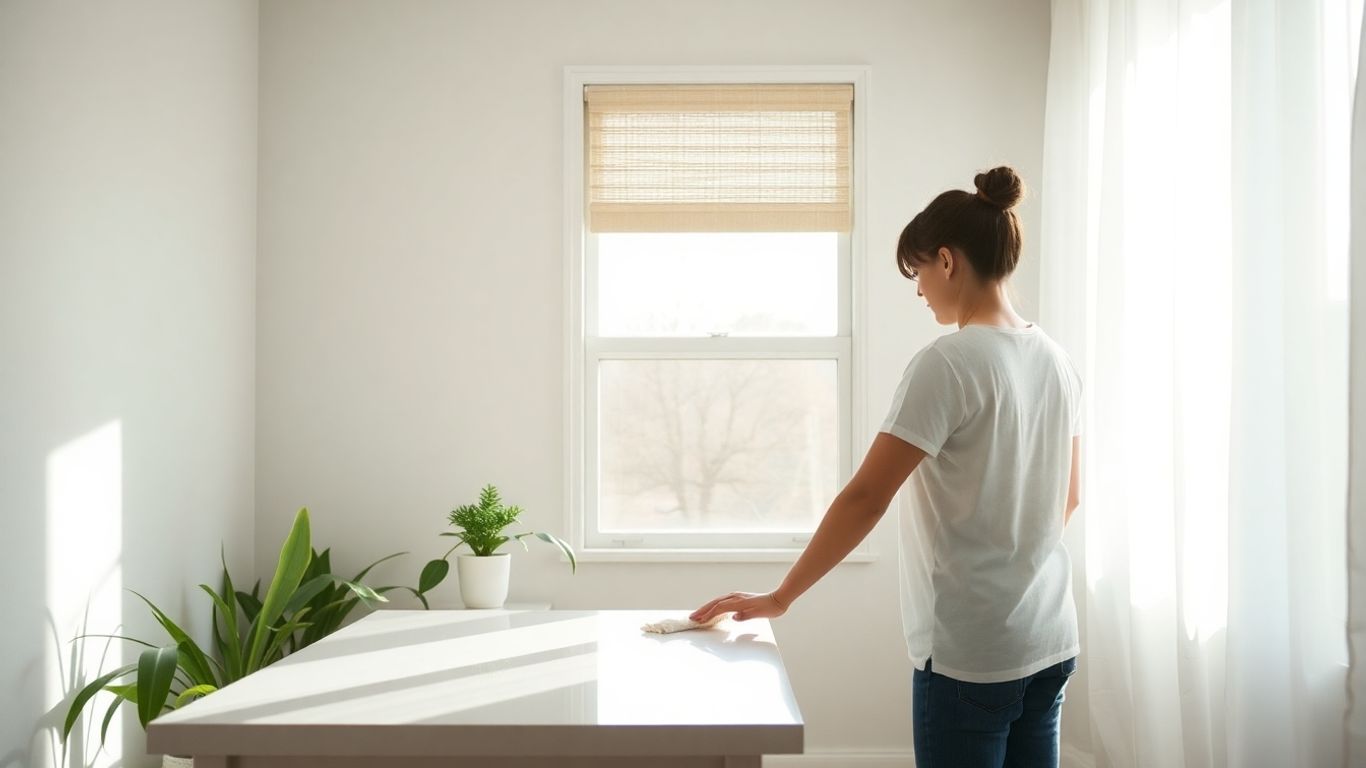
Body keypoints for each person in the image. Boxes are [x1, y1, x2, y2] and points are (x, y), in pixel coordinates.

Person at [690, 166, 1083, 767]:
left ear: (947, 261)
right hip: (1050, 639)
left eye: (918, 271)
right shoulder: (1057, 360)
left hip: (970, 655)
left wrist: (782, 596)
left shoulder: (948, 363)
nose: (919, 290)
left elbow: (866, 498)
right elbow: (1069, 498)